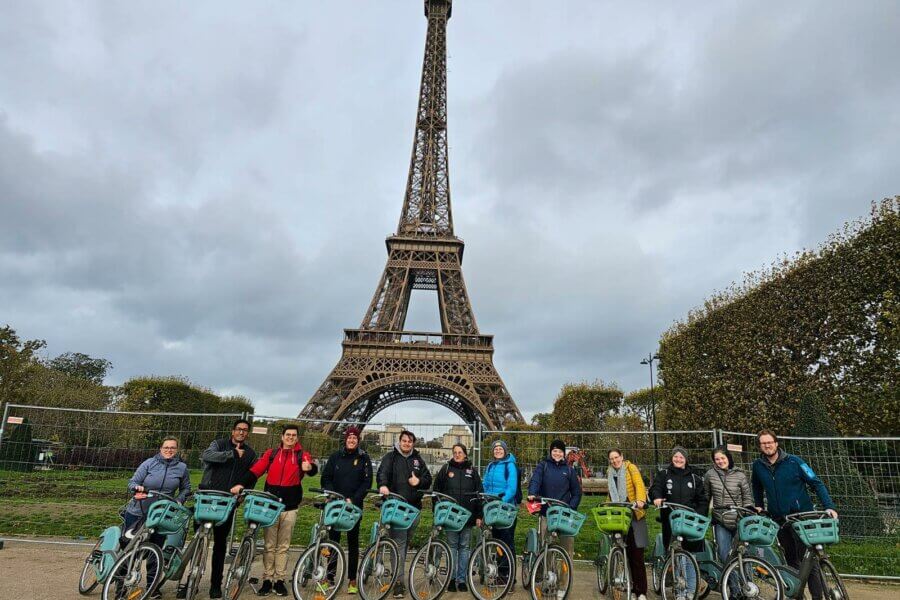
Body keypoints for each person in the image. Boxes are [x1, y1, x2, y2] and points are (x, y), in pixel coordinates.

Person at [752, 429, 837, 600]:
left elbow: (816, 483)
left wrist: (829, 506)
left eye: (770, 442)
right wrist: (759, 505)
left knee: (809, 561)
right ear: (760, 446)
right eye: (763, 443)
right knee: (791, 560)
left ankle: (817, 597)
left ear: (776, 443)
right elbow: (756, 486)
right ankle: (797, 596)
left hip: (801, 518)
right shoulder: (758, 466)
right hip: (779, 520)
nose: (767, 445)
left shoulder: (795, 462)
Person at [177, 419, 258, 600]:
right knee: (198, 542)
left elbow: (250, 477)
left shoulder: (251, 453)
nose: (242, 432)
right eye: (239, 429)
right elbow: (206, 456)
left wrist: (242, 495)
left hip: (227, 502)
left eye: (245, 430)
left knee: (220, 545)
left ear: (248, 433)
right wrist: (231, 454)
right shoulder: (219, 444)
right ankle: (191, 581)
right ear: (232, 431)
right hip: (206, 497)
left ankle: (215, 584)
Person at [243, 424, 317, 597]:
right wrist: (241, 483)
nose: (291, 437)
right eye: (288, 435)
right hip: (271, 508)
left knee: (283, 546)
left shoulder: (301, 455)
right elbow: (256, 471)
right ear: (282, 437)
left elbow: (310, 467)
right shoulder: (271, 454)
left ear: (297, 438)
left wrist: (310, 468)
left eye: (294, 435)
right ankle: (268, 579)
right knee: (269, 545)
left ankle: (280, 580)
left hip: (290, 507)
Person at [124, 437, 191, 599]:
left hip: (162, 515)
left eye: (172, 448)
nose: (169, 450)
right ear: (160, 448)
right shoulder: (149, 463)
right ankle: (121, 586)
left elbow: (186, 488)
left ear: (177, 450)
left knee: (156, 552)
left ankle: (152, 588)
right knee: (129, 548)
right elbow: (132, 482)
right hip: (139, 511)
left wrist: (179, 499)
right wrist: (136, 487)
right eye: (166, 447)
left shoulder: (182, 468)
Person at [377, 429, 433, 599]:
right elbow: (382, 474)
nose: (407, 443)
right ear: (399, 442)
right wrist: (383, 485)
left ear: (413, 443)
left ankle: (397, 574)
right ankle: (398, 583)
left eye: (410, 441)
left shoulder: (418, 460)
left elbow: (428, 479)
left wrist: (419, 481)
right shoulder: (390, 457)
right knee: (399, 545)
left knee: (403, 544)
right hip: (397, 509)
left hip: (414, 509)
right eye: (404, 441)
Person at [649, 447, 709, 597]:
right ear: (672, 458)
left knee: (690, 556)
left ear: (686, 459)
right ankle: (679, 591)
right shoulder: (664, 475)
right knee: (676, 555)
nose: (678, 459)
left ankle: (692, 589)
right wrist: (656, 497)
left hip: (689, 522)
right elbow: (655, 489)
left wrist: (698, 515)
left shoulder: (695, 478)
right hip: (671, 521)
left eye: (681, 457)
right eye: (676, 456)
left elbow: (702, 500)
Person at [321, 425, 372, 595]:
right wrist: (333, 494)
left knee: (353, 542)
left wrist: (354, 499)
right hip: (336, 504)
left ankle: (352, 579)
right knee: (333, 542)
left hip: (353, 506)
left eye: (355, 438)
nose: (351, 440)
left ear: (358, 441)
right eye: (349, 437)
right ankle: (329, 577)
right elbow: (326, 477)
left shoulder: (364, 458)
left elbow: (367, 483)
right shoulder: (335, 456)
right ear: (346, 439)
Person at [703, 446, 753, 598]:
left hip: (739, 519)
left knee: (744, 555)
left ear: (728, 458)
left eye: (722, 458)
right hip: (720, 520)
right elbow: (706, 497)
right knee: (725, 555)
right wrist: (704, 515)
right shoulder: (710, 475)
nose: (720, 461)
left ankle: (748, 587)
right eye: (717, 459)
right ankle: (734, 589)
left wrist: (746, 515)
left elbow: (747, 497)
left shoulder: (740, 475)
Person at [433, 443, 483, 593]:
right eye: (454, 452)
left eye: (460, 452)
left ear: (465, 454)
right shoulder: (445, 469)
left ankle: (462, 579)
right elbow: (436, 492)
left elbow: (479, 494)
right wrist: (437, 512)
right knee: (452, 547)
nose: (457, 454)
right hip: (451, 517)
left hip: (467, 516)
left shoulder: (473, 472)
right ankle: (452, 578)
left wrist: (479, 515)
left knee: (464, 548)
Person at [527, 439, 582, 558]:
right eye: (555, 451)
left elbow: (577, 493)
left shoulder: (569, 470)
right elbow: (535, 480)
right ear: (551, 451)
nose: (557, 453)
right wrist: (532, 493)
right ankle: (543, 572)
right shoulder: (543, 466)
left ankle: (565, 575)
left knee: (566, 548)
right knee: (545, 546)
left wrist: (571, 508)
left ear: (564, 453)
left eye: (560, 451)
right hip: (546, 512)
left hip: (564, 514)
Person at [606, 448, 649, 600]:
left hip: (634, 513)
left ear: (622, 457)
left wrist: (640, 500)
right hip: (619, 515)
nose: (614, 461)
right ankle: (630, 587)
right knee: (624, 555)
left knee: (637, 555)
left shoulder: (630, 468)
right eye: (611, 459)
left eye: (616, 457)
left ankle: (641, 591)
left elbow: (639, 484)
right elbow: (610, 493)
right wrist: (606, 506)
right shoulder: (610, 472)